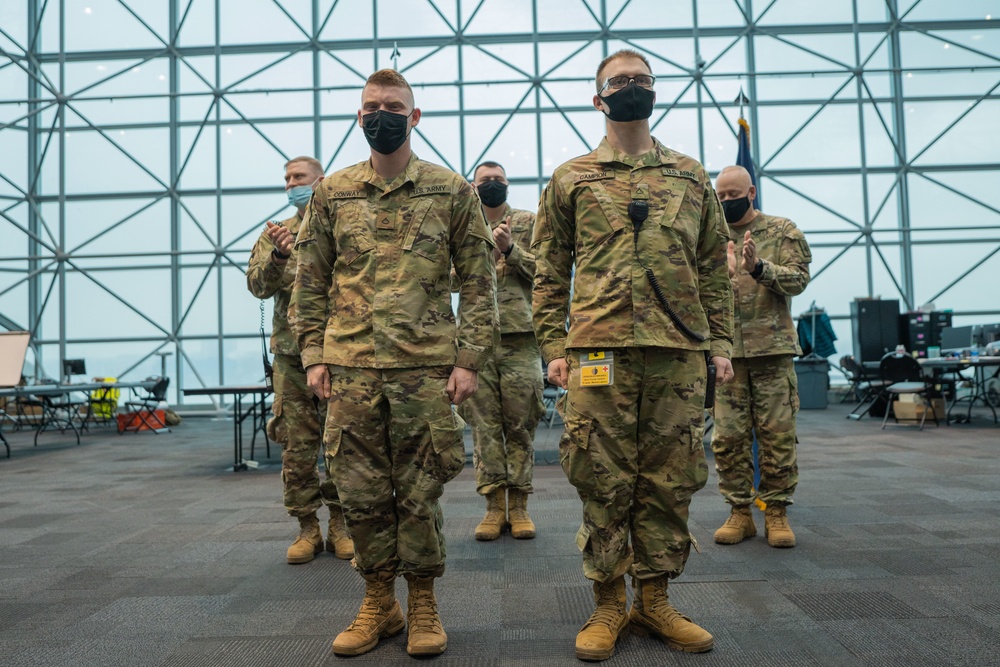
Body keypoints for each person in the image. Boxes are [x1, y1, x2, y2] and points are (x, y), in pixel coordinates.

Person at [532, 49, 734, 661]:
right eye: (618, 83)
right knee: (601, 473)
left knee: (671, 477)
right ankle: (608, 604)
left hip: (677, 351)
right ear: (598, 98)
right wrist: (552, 345)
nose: (631, 89)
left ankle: (655, 598)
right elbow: (549, 269)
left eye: (642, 81)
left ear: (656, 92)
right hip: (599, 350)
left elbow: (712, 270)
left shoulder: (691, 175)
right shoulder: (572, 177)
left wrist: (720, 343)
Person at [288, 69, 498, 659]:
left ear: (415, 116)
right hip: (350, 368)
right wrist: (313, 355)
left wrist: (469, 360)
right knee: (359, 494)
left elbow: (480, 285)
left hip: (424, 372)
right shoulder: (333, 194)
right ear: (359, 117)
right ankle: (379, 601)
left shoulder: (450, 190)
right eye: (372, 107)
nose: (382, 115)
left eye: (394, 106)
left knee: (419, 491)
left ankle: (424, 602)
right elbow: (311, 282)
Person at [246, 156, 354, 565]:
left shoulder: (343, 223)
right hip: (292, 359)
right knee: (297, 445)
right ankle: (307, 527)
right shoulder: (277, 233)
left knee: (342, 444)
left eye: (299, 177)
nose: (291, 184)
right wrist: (277, 257)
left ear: (320, 181)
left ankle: (340, 524)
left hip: (338, 353)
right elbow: (257, 286)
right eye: (287, 179)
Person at [712, 165, 811, 549]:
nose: (726, 203)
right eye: (720, 197)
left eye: (733, 196)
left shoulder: (782, 229)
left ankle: (776, 511)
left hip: (772, 351)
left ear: (751, 192)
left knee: (777, 437)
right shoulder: (711, 236)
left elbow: (798, 280)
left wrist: (757, 267)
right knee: (728, 438)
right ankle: (739, 512)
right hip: (727, 354)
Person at [460, 160, 545, 542]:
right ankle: (494, 507)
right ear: (472, 187)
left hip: (521, 338)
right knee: (485, 427)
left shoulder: (528, 221)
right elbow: (446, 276)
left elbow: (546, 272)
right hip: (477, 340)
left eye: (498, 180)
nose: (492, 185)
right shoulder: (462, 222)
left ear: (508, 184)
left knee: (521, 422)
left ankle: (521, 505)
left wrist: (511, 250)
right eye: (485, 181)